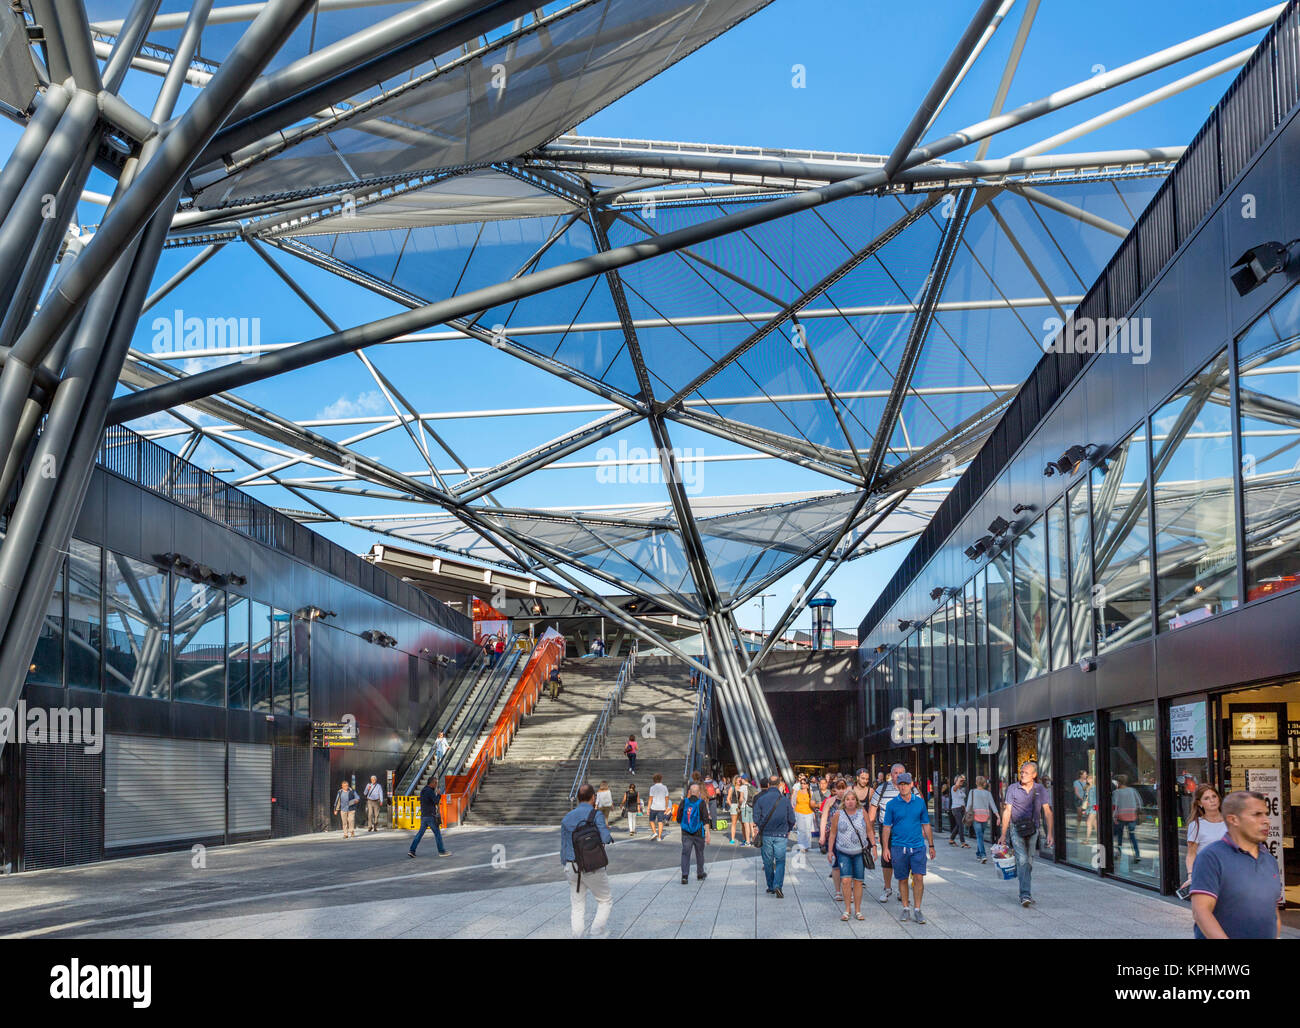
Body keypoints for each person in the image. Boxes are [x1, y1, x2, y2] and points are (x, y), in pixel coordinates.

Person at [1189, 790, 1284, 939]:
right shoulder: (1210, 857)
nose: (1266, 820)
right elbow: (1201, 912)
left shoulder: (1270, 860)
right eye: (1257, 814)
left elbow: (1273, 911)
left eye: (1266, 814)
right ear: (1234, 820)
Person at [560, 784, 613, 938]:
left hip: (572, 867)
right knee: (605, 900)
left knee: (577, 907)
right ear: (593, 797)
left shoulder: (567, 817)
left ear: (578, 798)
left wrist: (566, 865)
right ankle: (596, 933)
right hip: (592, 866)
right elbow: (605, 838)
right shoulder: (596, 815)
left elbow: (564, 846)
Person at [999, 760, 1054, 908]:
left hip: (1033, 829)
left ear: (1034, 775)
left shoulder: (1040, 789)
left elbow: (1047, 812)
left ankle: (1024, 884)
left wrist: (1049, 833)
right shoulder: (1012, 788)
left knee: (1028, 862)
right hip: (1016, 828)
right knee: (1023, 860)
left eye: (1026, 773)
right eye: (1022, 772)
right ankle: (1025, 895)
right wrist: (1003, 834)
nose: (1022, 775)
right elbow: (1007, 811)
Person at [881, 772, 935, 924]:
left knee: (919, 877)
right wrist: (885, 848)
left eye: (906, 784)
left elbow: (926, 824)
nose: (903, 787)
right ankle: (906, 908)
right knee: (902, 879)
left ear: (912, 784)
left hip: (917, 846)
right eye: (901, 784)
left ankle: (917, 909)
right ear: (897, 786)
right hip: (899, 847)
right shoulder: (891, 804)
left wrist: (931, 845)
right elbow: (886, 827)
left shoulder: (920, 802)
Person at [827, 789, 871, 921]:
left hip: (859, 851)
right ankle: (847, 910)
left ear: (856, 801)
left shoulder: (862, 812)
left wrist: (874, 846)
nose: (850, 802)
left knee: (858, 881)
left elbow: (869, 829)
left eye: (852, 799)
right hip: (843, 851)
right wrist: (830, 851)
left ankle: (858, 910)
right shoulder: (838, 814)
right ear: (844, 801)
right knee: (846, 881)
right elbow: (833, 833)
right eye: (847, 799)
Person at [752, 774, 796, 898]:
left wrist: (761, 826)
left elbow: (755, 818)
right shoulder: (785, 800)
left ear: (768, 785)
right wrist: (788, 828)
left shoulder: (761, 799)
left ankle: (771, 886)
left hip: (766, 833)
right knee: (780, 860)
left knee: (768, 861)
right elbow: (792, 819)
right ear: (779, 785)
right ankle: (778, 885)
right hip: (781, 834)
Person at [867, 763, 906, 903]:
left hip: (905, 830)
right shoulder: (882, 789)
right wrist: (871, 833)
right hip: (886, 829)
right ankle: (888, 888)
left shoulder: (911, 789)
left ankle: (902, 889)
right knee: (887, 858)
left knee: (904, 859)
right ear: (891, 774)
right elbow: (872, 813)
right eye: (896, 772)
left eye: (901, 772)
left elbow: (919, 808)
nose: (898, 775)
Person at [1181, 784, 1227, 893]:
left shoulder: (1231, 821)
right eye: (1206, 798)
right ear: (1200, 803)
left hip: (1230, 874)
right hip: (1207, 875)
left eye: (1214, 796)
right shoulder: (1196, 825)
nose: (1212, 800)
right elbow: (1191, 854)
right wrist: (1191, 875)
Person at [675, 782, 712, 883]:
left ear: (690, 792)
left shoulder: (684, 802)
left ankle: (685, 876)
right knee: (699, 853)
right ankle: (700, 874)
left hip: (686, 833)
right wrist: (708, 833)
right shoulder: (701, 803)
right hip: (699, 833)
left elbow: (678, 818)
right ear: (699, 792)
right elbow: (705, 819)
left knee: (685, 854)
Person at [819, 777, 848, 901]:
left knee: (848, 864)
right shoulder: (830, 801)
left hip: (848, 836)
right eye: (839, 788)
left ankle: (848, 889)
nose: (841, 791)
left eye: (843, 788)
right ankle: (838, 891)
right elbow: (824, 819)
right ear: (835, 789)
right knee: (836, 864)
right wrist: (821, 836)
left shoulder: (850, 801)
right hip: (833, 835)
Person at [408, 778, 450, 857]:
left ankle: (412, 850)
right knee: (437, 833)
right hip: (430, 816)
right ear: (432, 783)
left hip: (424, 816)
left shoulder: (423, 790)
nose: (436, 785)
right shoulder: (430, 791)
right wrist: (439, 794)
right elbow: (436, 801)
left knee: (420, 834)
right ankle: (442, 851)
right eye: (435, 783)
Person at [1112, 774, 1142, 865]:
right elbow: (1139, 802)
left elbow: (1115, 805)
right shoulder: (1132, 790)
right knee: (1132, 836)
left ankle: (1119, 853)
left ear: (1118, 782)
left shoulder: (1116, 792)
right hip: (1132, 816)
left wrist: (1114, 816)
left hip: (1120, 817)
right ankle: (1137, 855)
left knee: (1120, 836)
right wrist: (1138, 811)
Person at [967, 776, 998, 862]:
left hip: (976, 816)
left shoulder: (972, 792)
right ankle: (978, 854)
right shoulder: (988, 793)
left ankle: (983, 855)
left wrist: (966, 813)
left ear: (976, 783)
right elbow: (992, 805)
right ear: (984, 784)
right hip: (985, 816)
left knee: (979, 836)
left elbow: (969, 804)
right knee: (980, 836)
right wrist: (998, 815)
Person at [792, 776, 815, 851]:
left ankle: (807, 846)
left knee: (807, 830)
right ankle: (801, 846)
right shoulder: (797, 792)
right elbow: (794, 803)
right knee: (800, 830)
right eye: (801, 783)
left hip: (809, 813)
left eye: (804, 783)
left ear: (807, 785)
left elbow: (813, 804)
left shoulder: (811, 793)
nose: (802, 785)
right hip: (799, 812)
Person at [647, 772, 670, 841]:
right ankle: (659, 837)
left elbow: (650, 799)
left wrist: (648, 808)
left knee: (651, 820)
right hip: (662, 807)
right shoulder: (664, 787)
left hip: (654, 806)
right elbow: (667, 798)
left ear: (654, 780)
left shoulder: (652, 788)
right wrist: (666, 807)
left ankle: (654, 832)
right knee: (660, 822)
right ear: (661, 779)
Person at [948, 774, 968, 847]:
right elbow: (956, 786)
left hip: (961, 808)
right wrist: (959, 779)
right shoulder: (954, 787)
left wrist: (965, 810)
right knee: (961, 826)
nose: (962, 782)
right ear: (956, 781)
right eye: (960, 781)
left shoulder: (960, 790)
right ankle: (963, 842)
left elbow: (962, 801)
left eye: (962, 781)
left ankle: (951, 839)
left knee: (958, 825)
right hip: (956, 809)